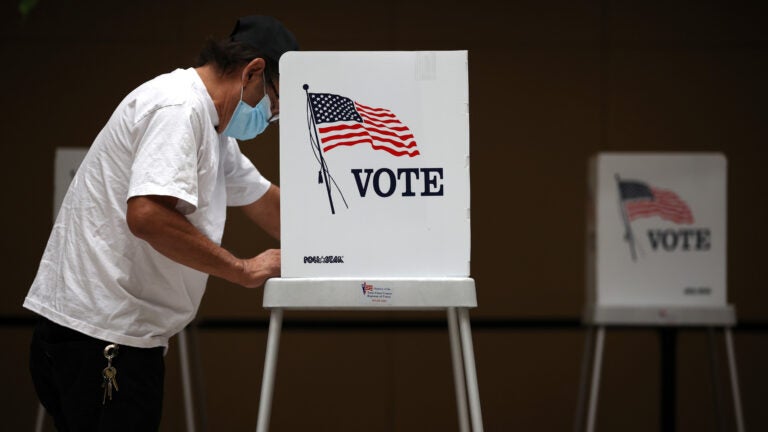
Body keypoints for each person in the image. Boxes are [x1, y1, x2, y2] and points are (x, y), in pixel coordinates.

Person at [24, 15, 298, 431]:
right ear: (254, 72)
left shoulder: (214, 128)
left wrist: (344, 246)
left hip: (109, 335)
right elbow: (148, 216)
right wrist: (242, 270)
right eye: (274, 106)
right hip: (102, 338)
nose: (269, 118)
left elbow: (265, 202)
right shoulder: (179, 108)